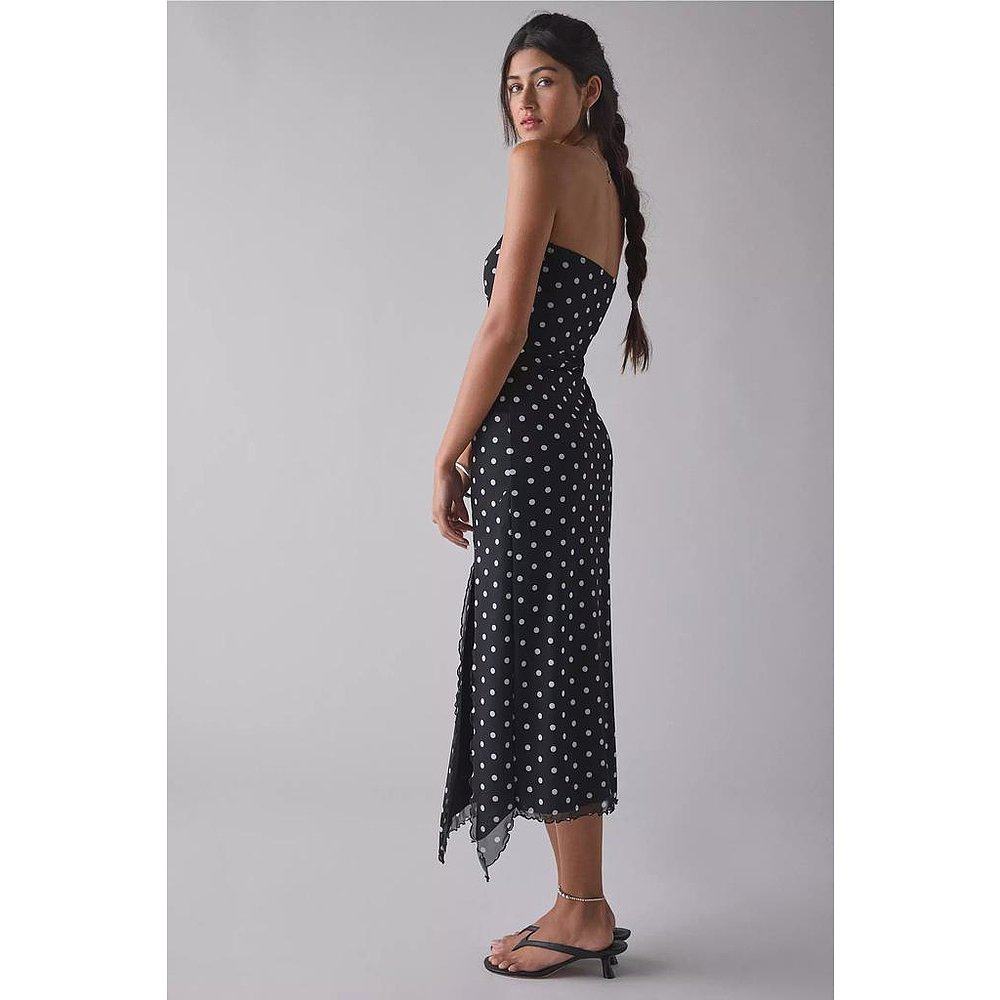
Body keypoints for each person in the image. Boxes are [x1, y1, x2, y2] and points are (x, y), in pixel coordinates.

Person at [431, 12, 650, 980]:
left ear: (589, 91)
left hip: (528, 446)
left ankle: (581, 910)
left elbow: (503, 328)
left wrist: (447, 452)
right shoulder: (602, 179)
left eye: (546, 81)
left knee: (545, 663)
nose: (525, 101)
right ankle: (581, 904)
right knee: (565, 661)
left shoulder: (540, 167)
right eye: (514, 85)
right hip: (573, 443)